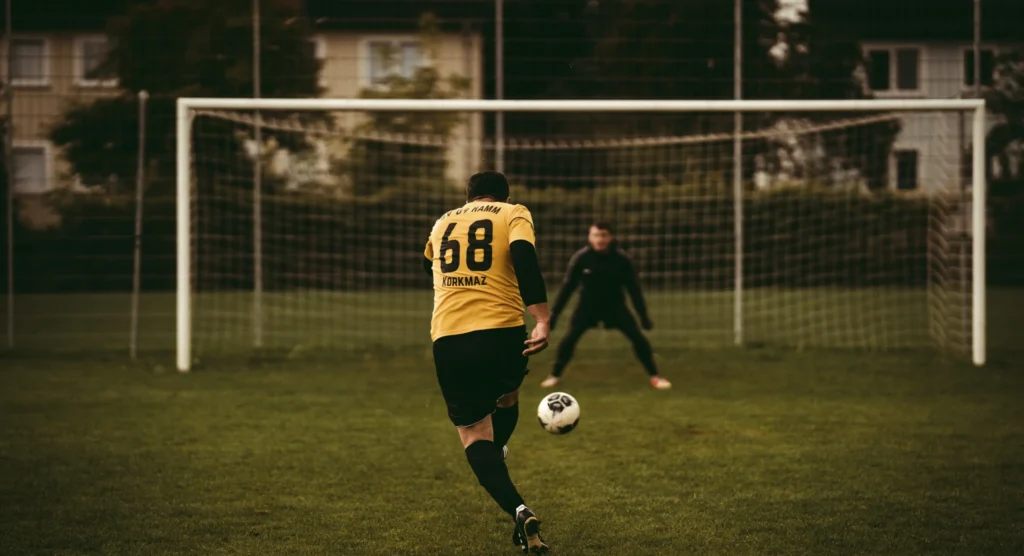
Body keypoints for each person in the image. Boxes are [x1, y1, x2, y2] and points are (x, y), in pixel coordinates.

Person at [423, 171, 551, 554]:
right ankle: (497, 455)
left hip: (450, 336)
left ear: (469, 195)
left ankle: (519, 509)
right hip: (502, 331)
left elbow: (428, 262)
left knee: (474, 435)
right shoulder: (513, 212)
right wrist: (542, 318)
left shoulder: (443, 221)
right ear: (503, 195)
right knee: (507, 396)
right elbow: (524, 257)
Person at [539, 222, 672, 390]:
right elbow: (567, 288)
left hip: (615, 307)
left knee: (638, 338)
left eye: (603, 235)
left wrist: (643, 316)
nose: (599, 239)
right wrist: (554, 316)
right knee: (570, 338)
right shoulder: (582, 258)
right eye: (595, 235)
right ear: (589, 237)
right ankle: (554, 376)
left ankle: (655, 376)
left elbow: (634, 290)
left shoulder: (622, 260)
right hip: (587, 307)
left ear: (611, 237)